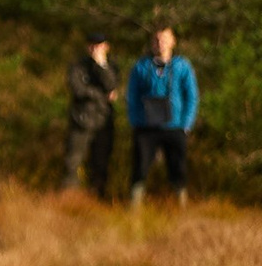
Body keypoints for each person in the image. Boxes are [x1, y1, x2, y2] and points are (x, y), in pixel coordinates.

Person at [126, 26, 197, 207]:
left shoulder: (182, 66)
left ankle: (180, 206)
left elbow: (192, 97)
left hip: (175, 126)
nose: (160, 44)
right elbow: (132, 96)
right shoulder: (141, 66)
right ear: (152, 43)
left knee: (177, 168)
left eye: (164, 39)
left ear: (173, 41)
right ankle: (135, 207)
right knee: (140, 167)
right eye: (156, 40)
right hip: (146, 127)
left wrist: (186, 124)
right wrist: (136, 121)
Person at [63, 32, 120, 198]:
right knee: (72, 162)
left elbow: (112, 85)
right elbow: (78, 89)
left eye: (99, 45)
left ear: (106, 47)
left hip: (103, 122)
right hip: (81, 121)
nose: (95, 49)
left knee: (100, 163)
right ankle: (68, 198)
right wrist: (101, 95)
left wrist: (101, 65)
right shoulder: (77, 66)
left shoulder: (111, 66)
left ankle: (97, 198)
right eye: (92, 45)